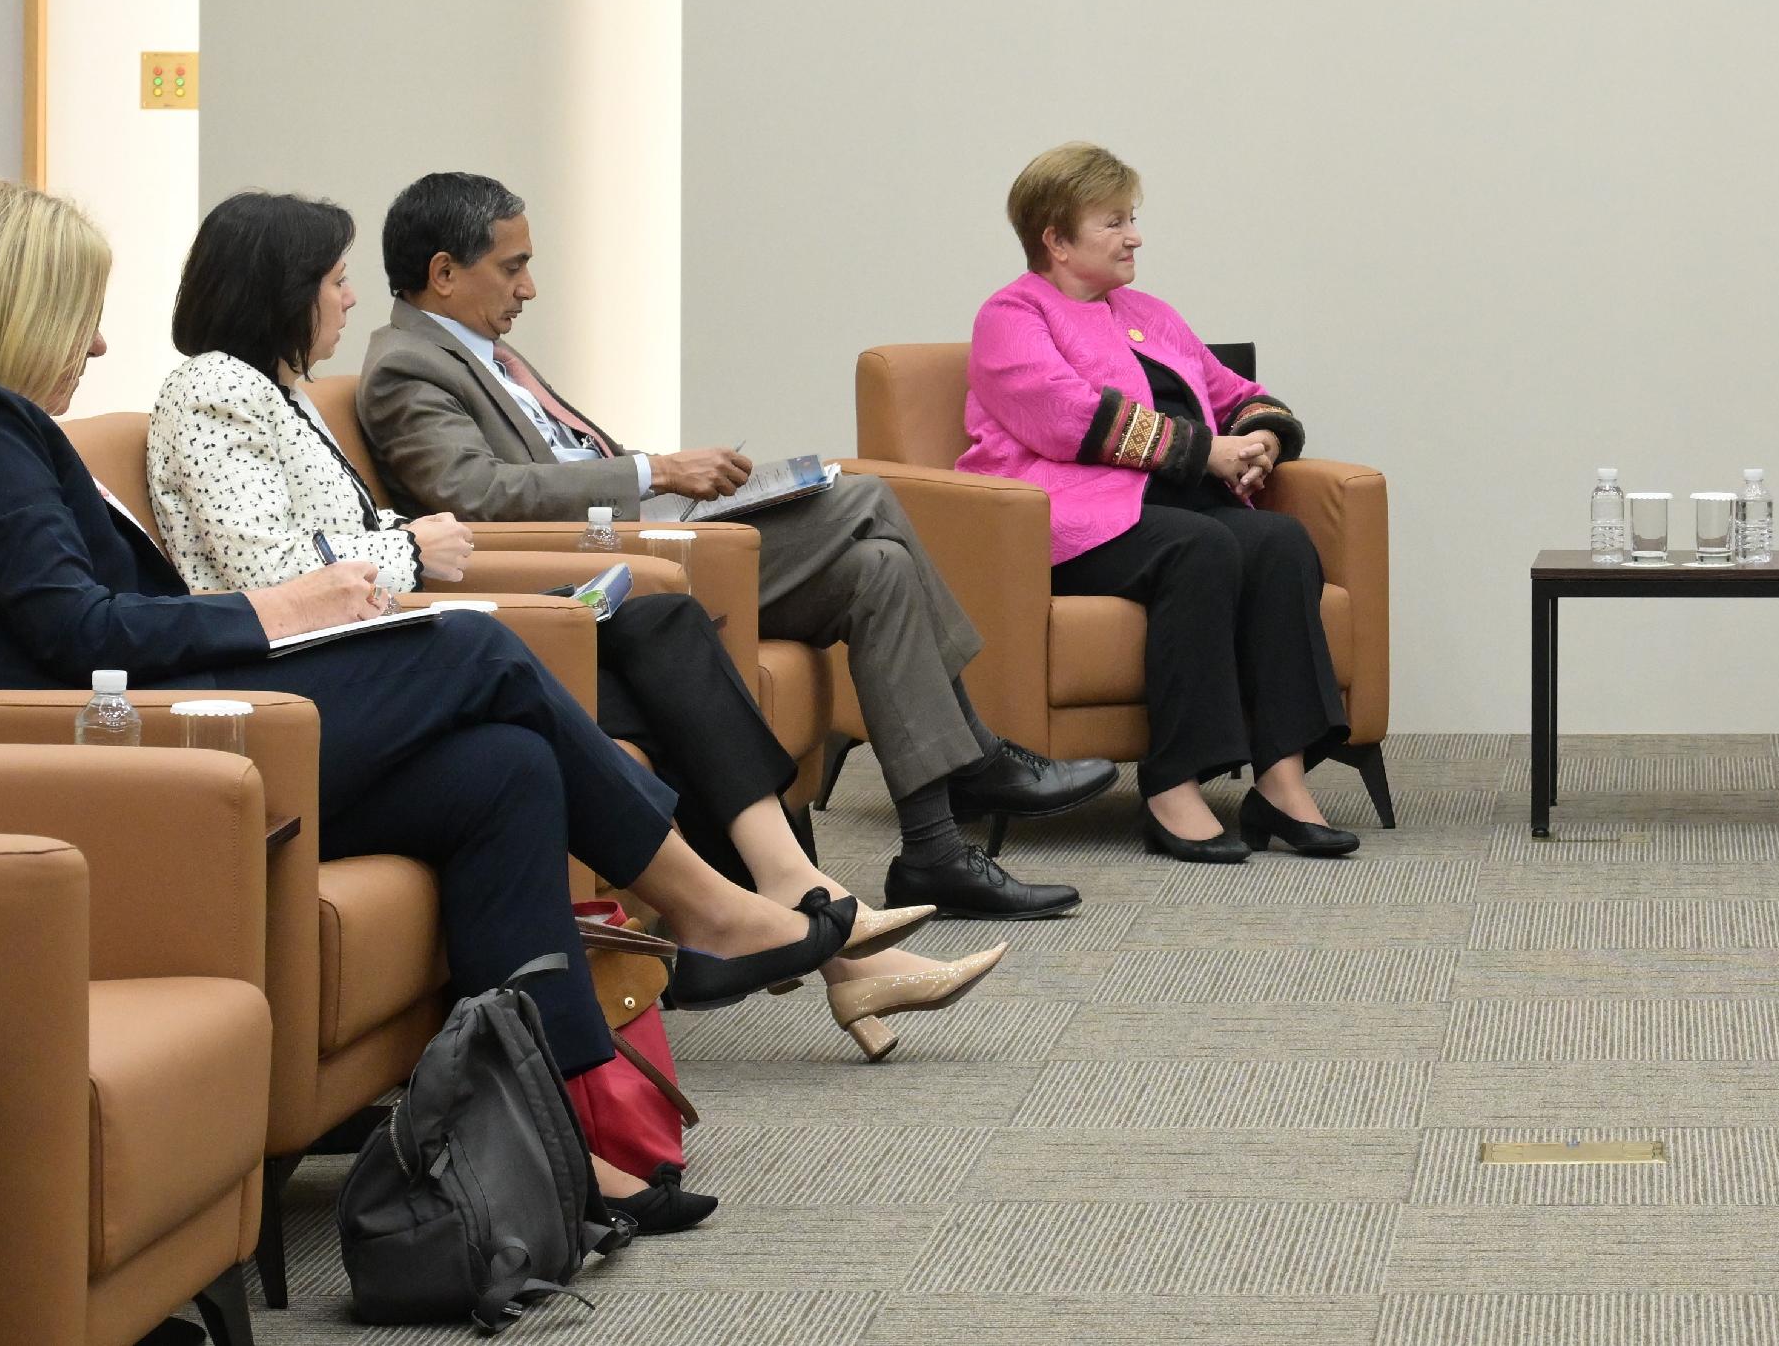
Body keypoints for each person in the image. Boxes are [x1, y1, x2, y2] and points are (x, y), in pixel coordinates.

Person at [0, 179, 858, 1236]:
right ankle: (705, 906)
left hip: (139, 738)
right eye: (80, 316)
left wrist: (291, 610)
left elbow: (87, 619)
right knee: (477, 651)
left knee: (504, 771)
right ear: (15, 310)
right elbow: (84, 631)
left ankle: (561, 1136)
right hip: (104, 766)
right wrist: (281, 605)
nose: (93, 347)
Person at [147, 190, 1002, 1062]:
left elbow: (336, 541)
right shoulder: (219, 387)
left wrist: (398, 547)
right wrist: (407, 548)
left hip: (378, 627)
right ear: (279, 289)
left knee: (666, 621)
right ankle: (787, 907)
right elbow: (270, 572)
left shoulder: (278, 391)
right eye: (334, 280)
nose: (351, 297)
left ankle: (799, 904)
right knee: (784, 554)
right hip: (334, 661)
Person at [354, 170, 1110, 920]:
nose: (530, 289)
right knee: (867, 495)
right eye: (513, 266)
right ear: (444, 273)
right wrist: (658, 470)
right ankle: (977, 752)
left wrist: (673, 478)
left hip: (647, 525)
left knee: (876, 567)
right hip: (605, 561)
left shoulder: (485, 351)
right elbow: (477, 498)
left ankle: (934, 851)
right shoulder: (406, 366)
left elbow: (567, 461)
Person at [960, 142, 1354, 864]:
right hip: (1067, 522)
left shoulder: (1147, 312)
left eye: (1131, 217)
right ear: (1055, 237)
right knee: (1202, 548)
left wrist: (1262, 436)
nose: (1134, 234)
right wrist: (1206, 452)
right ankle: (1173, 778)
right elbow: (1064, 413)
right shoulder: (1010, 316)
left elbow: (1237, 393)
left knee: (1281, 543)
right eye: (1113, 221)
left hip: (1174, 507)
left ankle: (1281, 777)